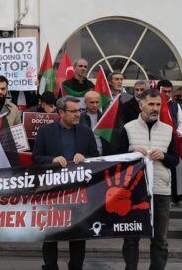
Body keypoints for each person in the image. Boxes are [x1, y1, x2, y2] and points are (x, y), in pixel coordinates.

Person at [115, 89, 180, 270]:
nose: (155, 108)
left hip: (160, 191)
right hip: (134, 194)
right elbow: (117, 160)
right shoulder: (128, 128)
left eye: (158, 104)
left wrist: (164, 156)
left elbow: (175, 160)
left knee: (160, 240)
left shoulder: (168, 130)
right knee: (130, 239)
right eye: (151, 104)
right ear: (141, 105)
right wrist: (131, 154)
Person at [32, 96, 98, 270]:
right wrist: (52, 159)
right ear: (61, 112)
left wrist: (86, 158)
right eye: (73, 111)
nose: (78, 114)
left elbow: (97, 158)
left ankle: (76, 267)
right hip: (53, 192)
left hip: (78, 193)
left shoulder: (86, 132)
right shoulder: (45, 132)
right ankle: (50, 266)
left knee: (78, 235)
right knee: (50, 234)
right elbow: (36, 158)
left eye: (79, 110)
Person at [157, 79, 182, 209]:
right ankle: (164, 199)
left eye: (170, 91)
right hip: (158, 141)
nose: (167, 94)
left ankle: (178, 198)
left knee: (176, 170)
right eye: (165, 91)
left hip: (173, 140)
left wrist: (178, 131)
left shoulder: (176, 105)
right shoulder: (155, 103)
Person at [80, 91, 106, 155]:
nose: (95, 105)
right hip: (87, 154)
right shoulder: (79, 118)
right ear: (85, 102)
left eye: (97, 102)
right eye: (91, 102)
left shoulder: (105, 117)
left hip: (104, 153)